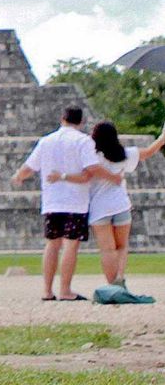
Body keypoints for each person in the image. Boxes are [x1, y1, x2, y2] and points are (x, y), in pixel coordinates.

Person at [12, 107, 123, 301]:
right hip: (75, 202)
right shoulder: (83, 141)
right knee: (70, 246)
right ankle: (65, 290)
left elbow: (29, 167)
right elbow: (93, 167)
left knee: (52, 245)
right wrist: (113, 177)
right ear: (81, 122)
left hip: (52, 201)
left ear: (62, 119)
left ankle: (47, 290)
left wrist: (18, 177)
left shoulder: (46, 141)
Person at [48, 120, 165, 289]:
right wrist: (161, 139)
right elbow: (147, 152)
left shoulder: (92, 157)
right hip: (121, 205)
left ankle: (112, 285)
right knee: (122, 246)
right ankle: (120, 278)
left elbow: (84, 176)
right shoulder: (124, 154)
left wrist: (62, 176)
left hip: (99, 209)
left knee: (107, 249)